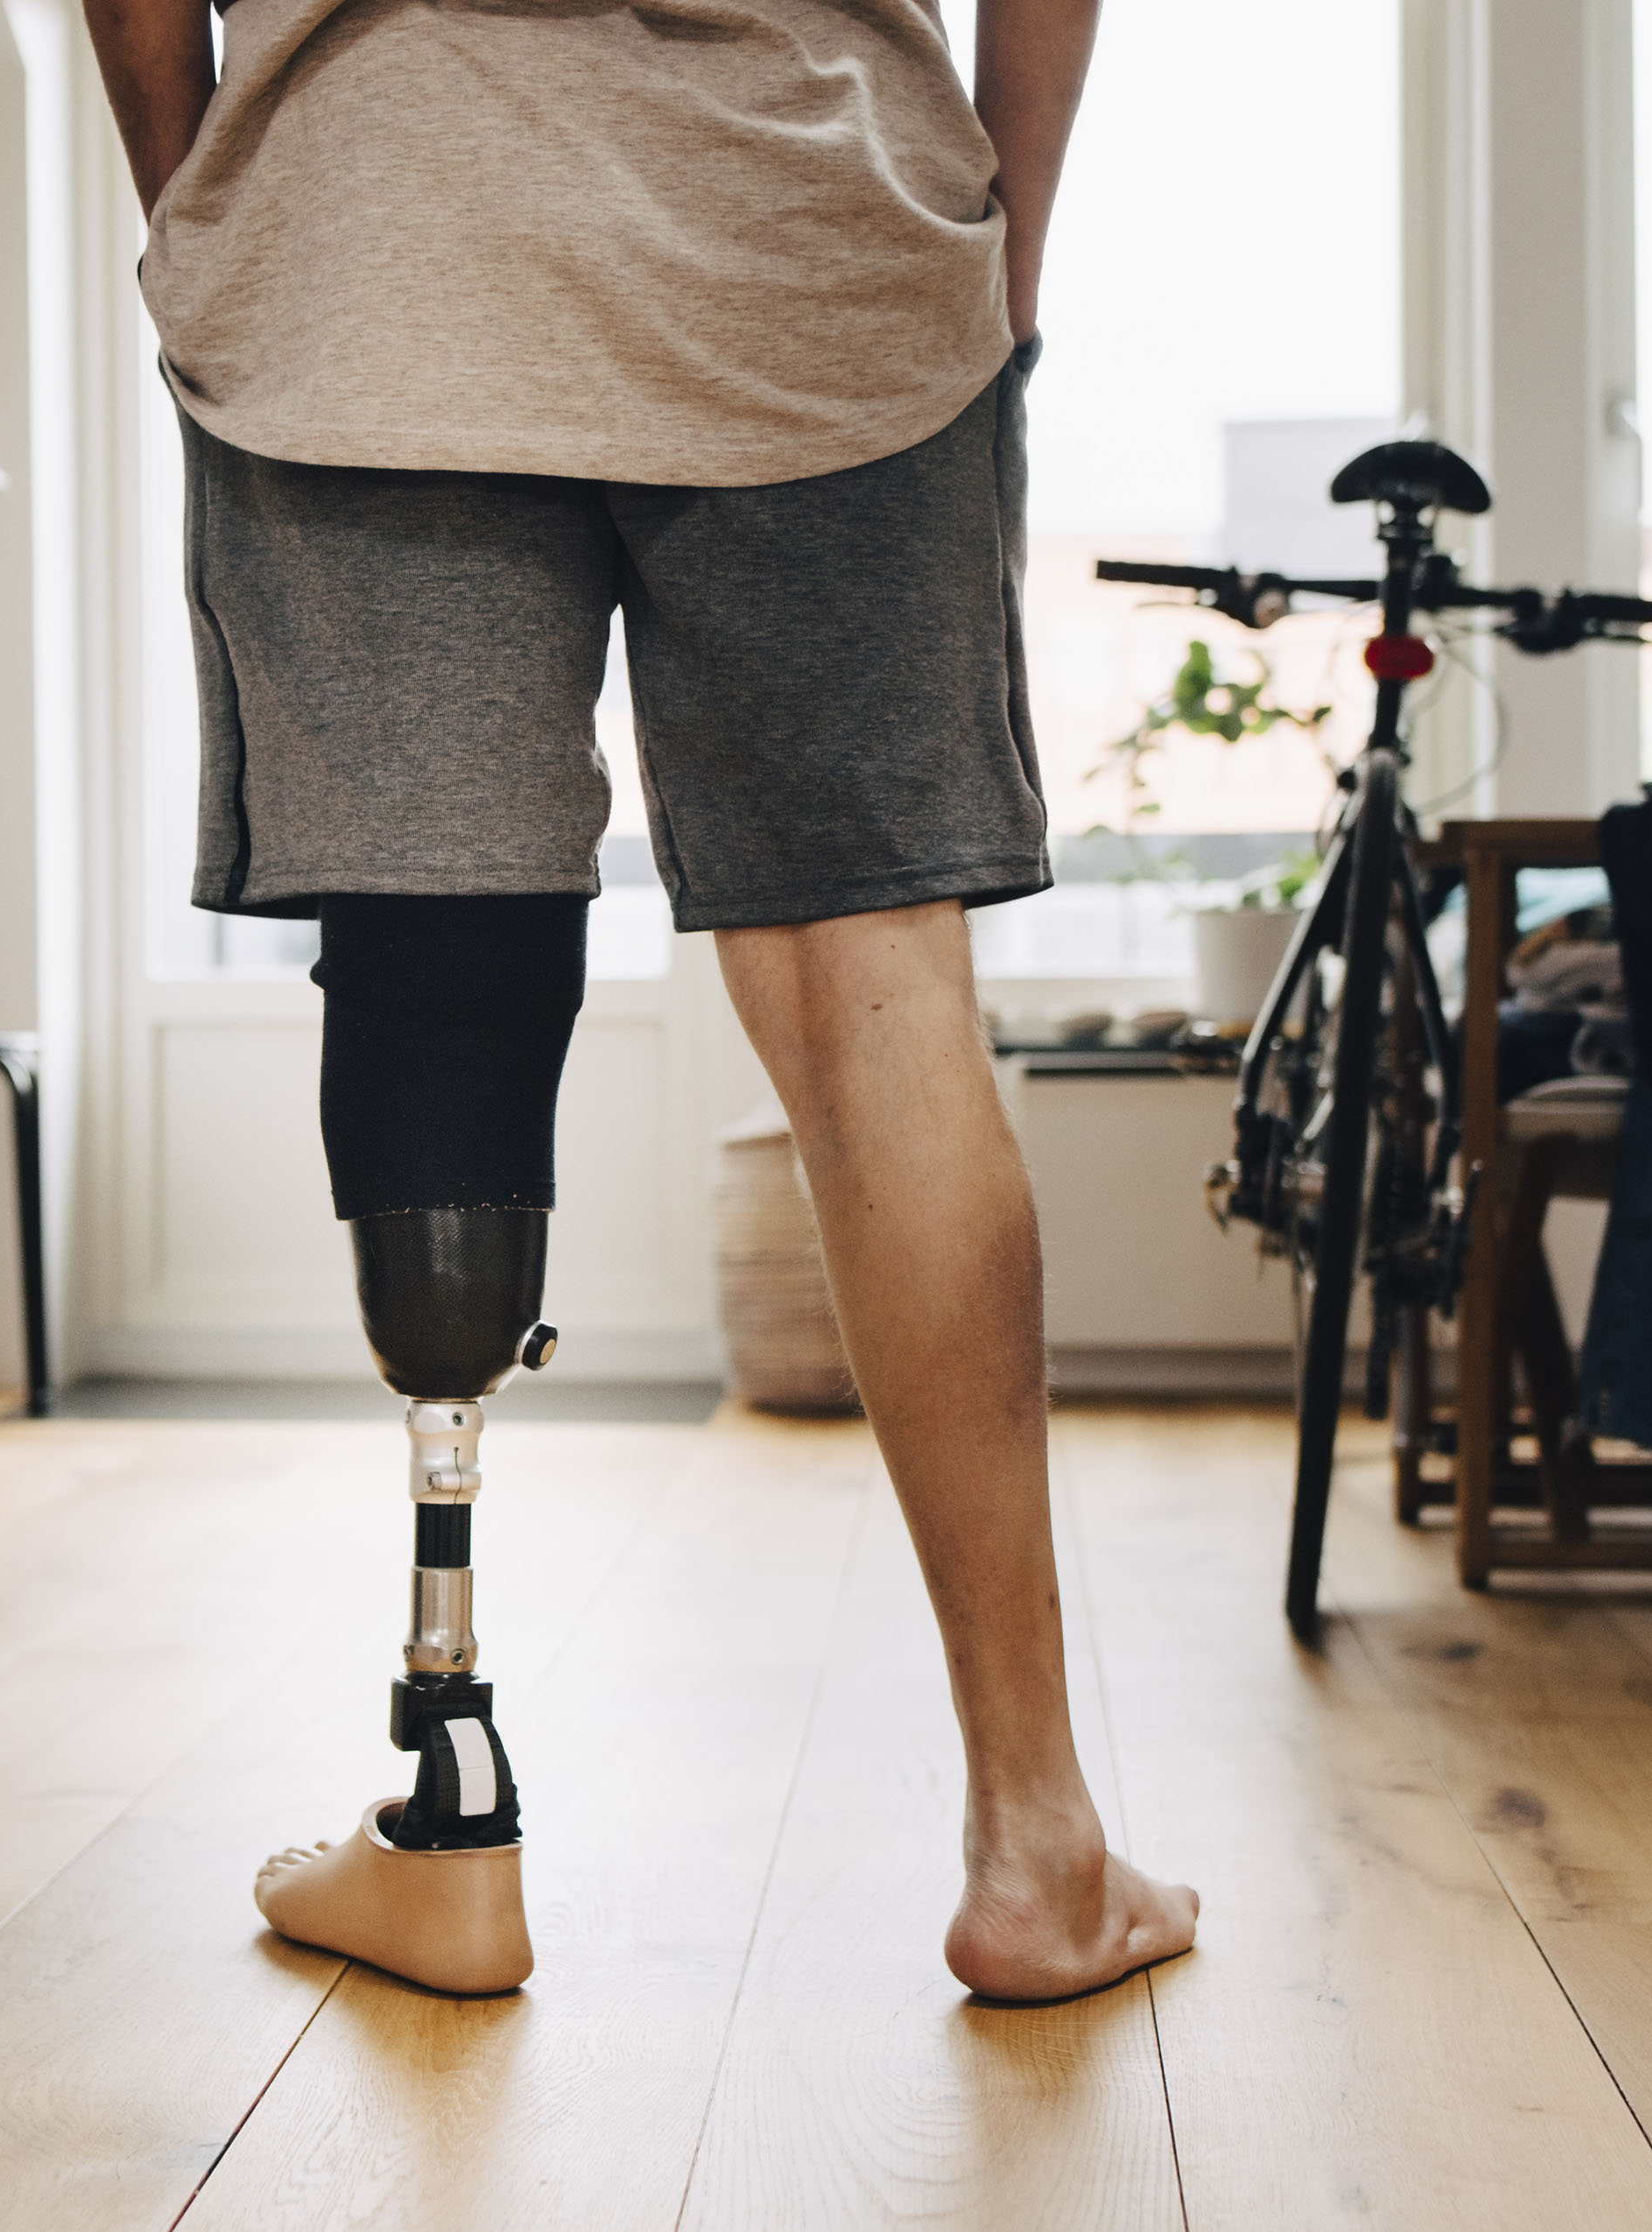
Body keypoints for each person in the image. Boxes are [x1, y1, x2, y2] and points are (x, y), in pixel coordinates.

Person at [81, 0, 1196, 2004]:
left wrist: (203, 190)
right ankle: (1037, 1837)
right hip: (814, 225)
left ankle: (451, 1812)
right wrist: (1001, 243)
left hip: (375, 211)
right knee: (880, 1003)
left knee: (437, 968)